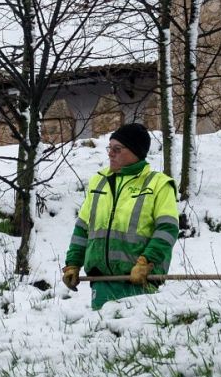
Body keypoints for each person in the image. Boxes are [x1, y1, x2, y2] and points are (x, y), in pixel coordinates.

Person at [62, 122, 180, 310]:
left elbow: (167, 229)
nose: (110, 153)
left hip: (139, 280)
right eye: (110, 148)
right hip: (101, 282)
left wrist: (146, 262)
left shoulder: (158, 184)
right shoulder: (98, 182)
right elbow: (82, 228)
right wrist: (72, 263)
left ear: (135, 151)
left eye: (117, 149)